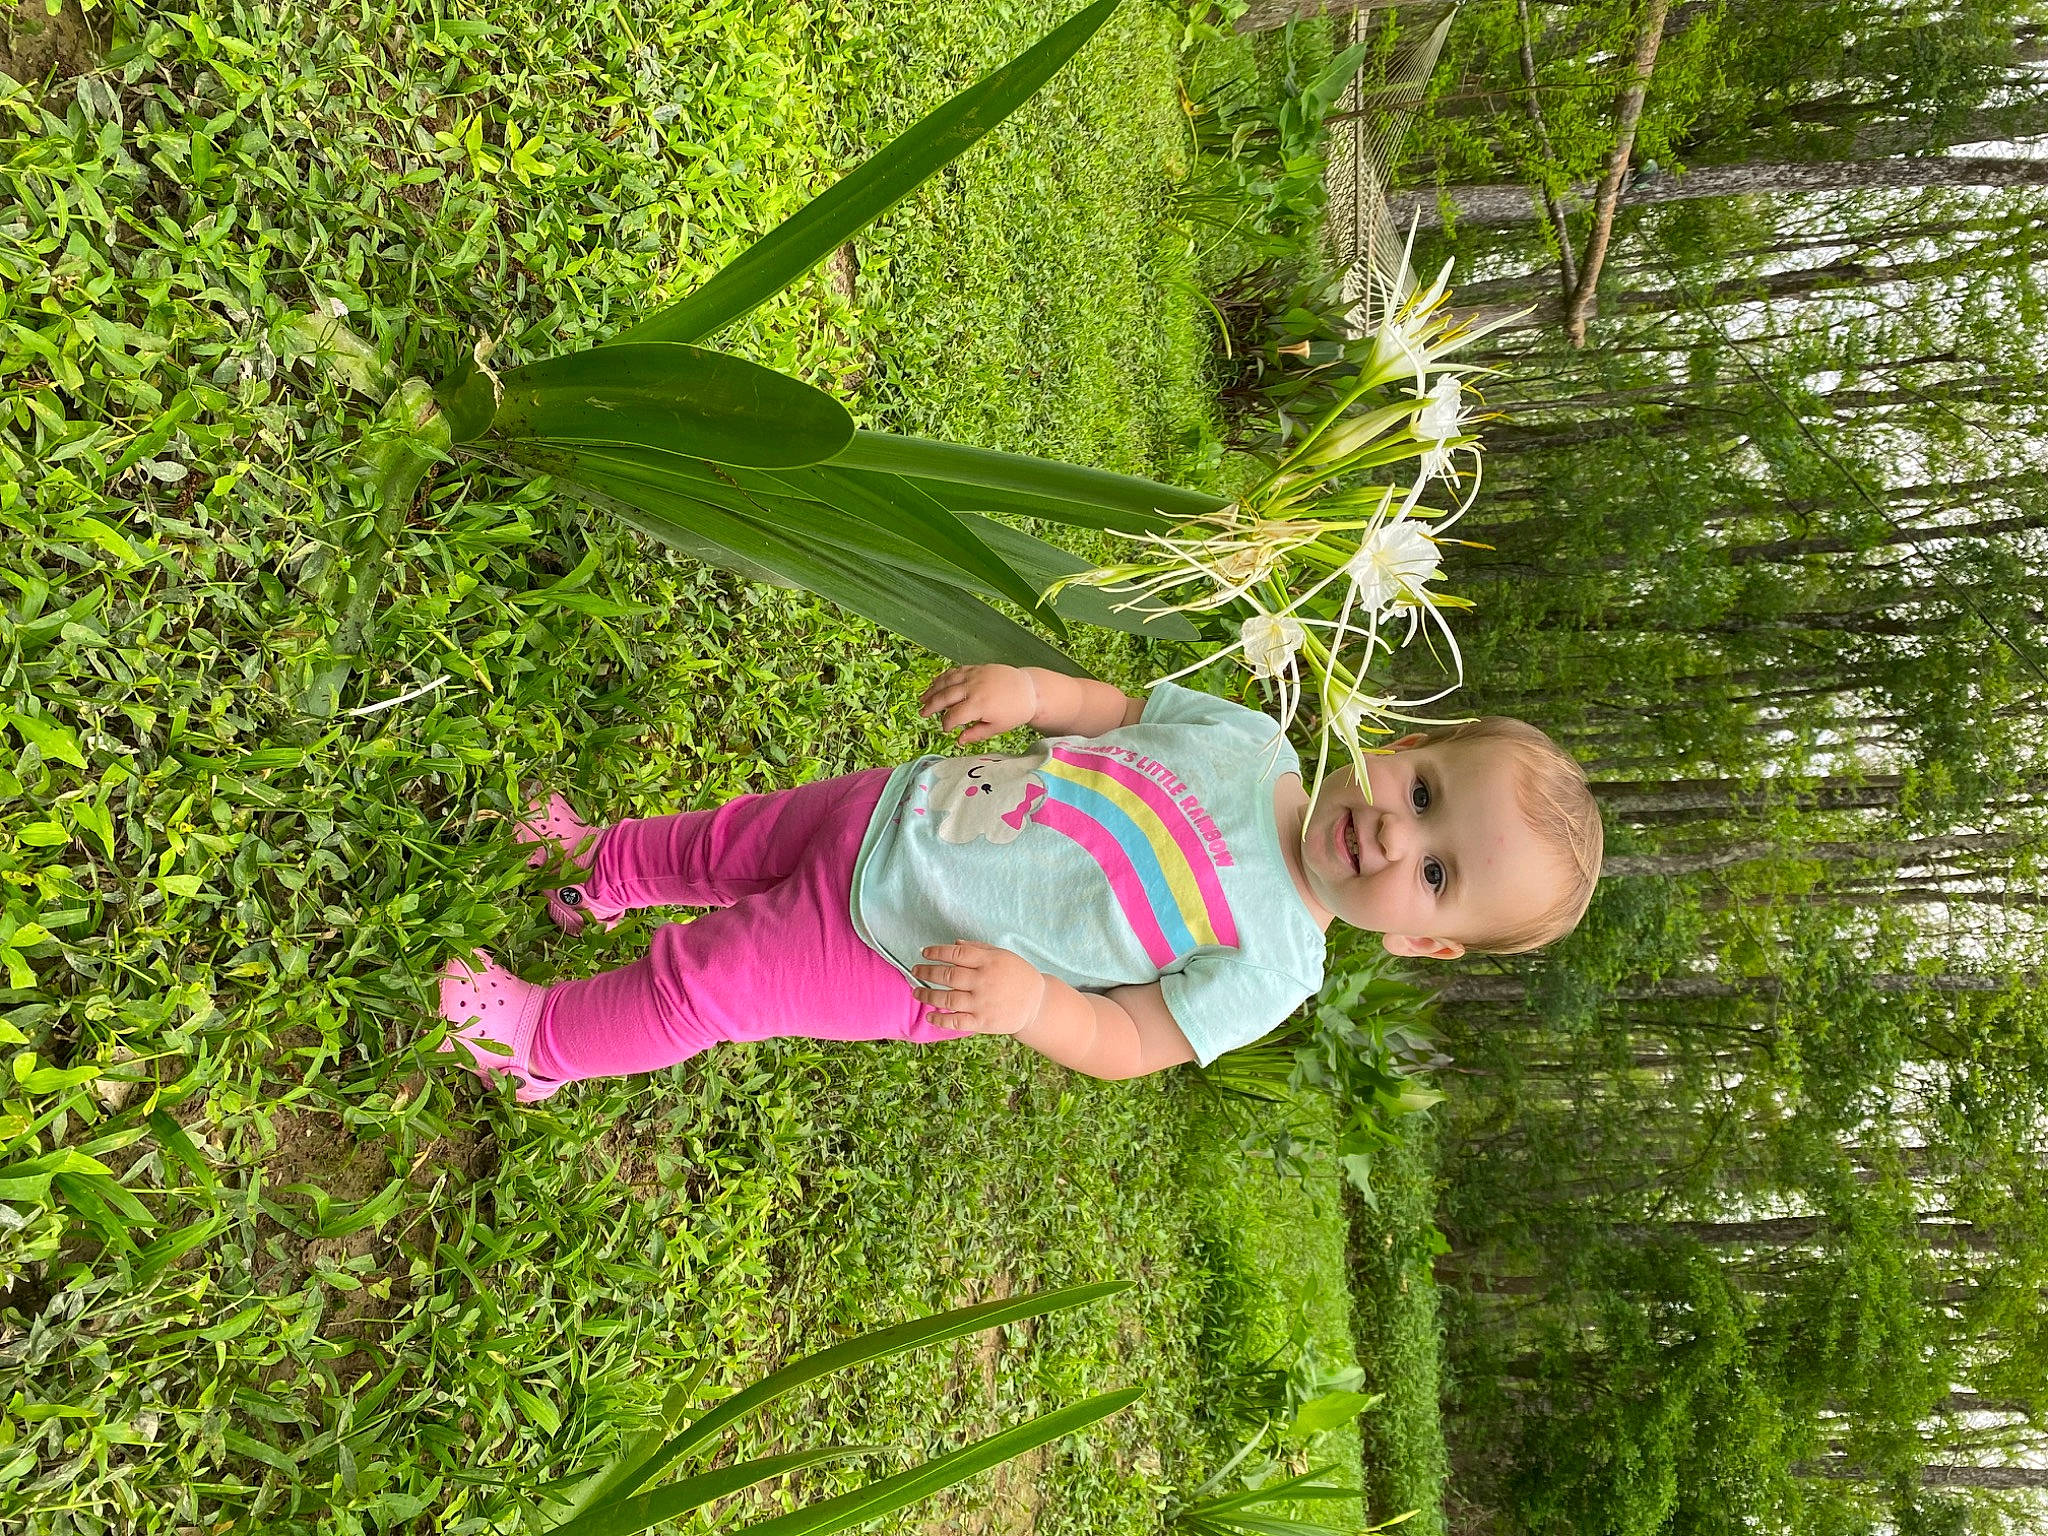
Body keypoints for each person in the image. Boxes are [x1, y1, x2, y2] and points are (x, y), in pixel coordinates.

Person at [432, 664, 1603, 1102]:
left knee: (713, 980)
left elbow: (1132, 1041)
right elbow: (1125, 710)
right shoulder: (1254, 744)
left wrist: (1036, 1005)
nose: (1393, 835)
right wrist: (1034, 695)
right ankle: (596, 869)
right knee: (728, 842)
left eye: (1435, 873)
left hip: (910, 953)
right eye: (1423, 792)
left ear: (1422, 942)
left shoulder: (1274, 964)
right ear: (1406, 743)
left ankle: (539, 1043)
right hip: (903, 807)